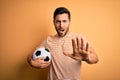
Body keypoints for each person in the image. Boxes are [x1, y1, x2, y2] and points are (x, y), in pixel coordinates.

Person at [28, 7, 99, 80]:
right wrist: (31, 62)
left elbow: (96, 58)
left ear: (69, 22)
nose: (61, 25)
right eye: (58, 21)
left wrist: (87, 58)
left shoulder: (79, 39)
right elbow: (30, 55)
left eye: (64, 21)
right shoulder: (48, 40)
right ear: (54, 22)